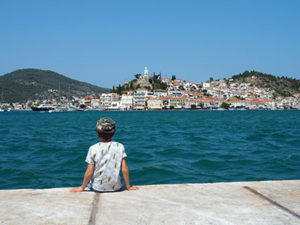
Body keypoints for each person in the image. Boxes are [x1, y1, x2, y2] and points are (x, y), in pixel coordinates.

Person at [70, 117, 138, 192]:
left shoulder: (93, 148)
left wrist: (82, 187)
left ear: (97, 133)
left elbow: (89, 172)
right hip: (116, 188)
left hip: (98, 188)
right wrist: (128, 186)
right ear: (114, 132)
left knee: (90, 183)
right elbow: (124, 169)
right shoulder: (120, 146)